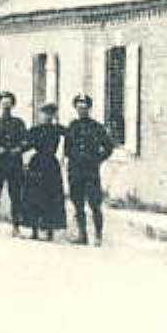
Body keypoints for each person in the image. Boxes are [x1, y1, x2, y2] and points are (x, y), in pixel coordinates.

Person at [64, 92, 116, 245]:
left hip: (91, 171)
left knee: (94, 204)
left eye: (85, 108)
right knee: (78, 204)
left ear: (89, 109)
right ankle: (82, 235)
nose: (82, 111)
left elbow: (108, 147)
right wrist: (73, 159)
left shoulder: (97, 127)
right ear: (75, 109)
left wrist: (98, 160)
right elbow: (67, 149)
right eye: (79, 108)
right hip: (75, 171)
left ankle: (98, 235)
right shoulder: (72, 126)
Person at [21, 102, 67, 242]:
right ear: (41, 114)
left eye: (50, 114)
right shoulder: (35, 130)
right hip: (37, 164)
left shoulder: (58, 130)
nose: (47, 116)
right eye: (45, 113)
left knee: (51, 198)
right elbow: (26, 145)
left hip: (51, 165)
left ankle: (49, 230)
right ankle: (34, 229)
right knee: (34, 197)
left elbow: (71, 138)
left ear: (54, 115)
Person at [0, 90, 27, 235]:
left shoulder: (18, 123)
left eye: (9, 105)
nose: (6, 108)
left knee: (15, 196)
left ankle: (16, 226)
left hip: (14, 164)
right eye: (4, 104)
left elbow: (25, 141)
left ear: (12, 106)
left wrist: (19, 149)